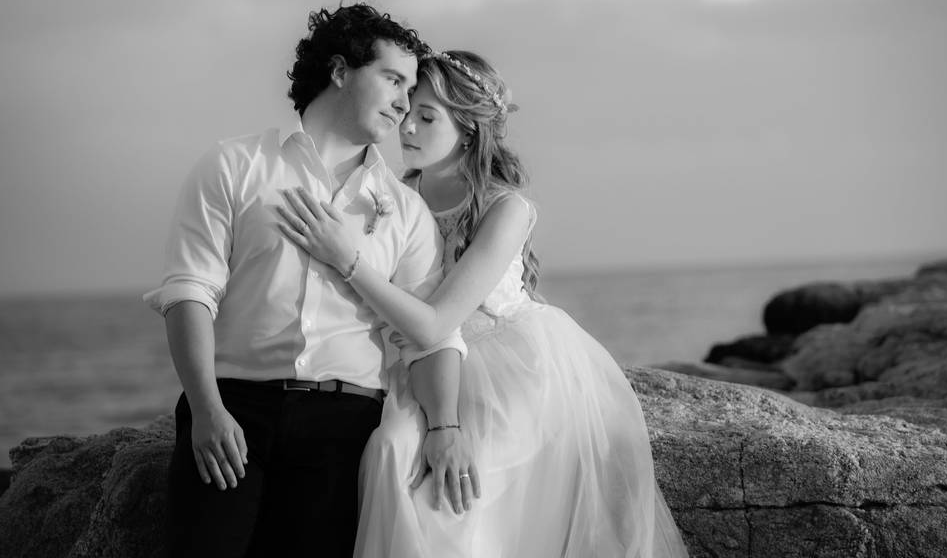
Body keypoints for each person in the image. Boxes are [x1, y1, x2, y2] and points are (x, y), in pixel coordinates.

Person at [276, 50, 690, 557]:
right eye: (405, 110)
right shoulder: (393, 196)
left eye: (427, 117)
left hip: (509, 369)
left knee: (450, 500)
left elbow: (437, 322)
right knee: (386, 451)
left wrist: (347, 259)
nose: (406, 128)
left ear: (469, 129)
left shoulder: (505, 208)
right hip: (419, 365)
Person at [144, 4, 478, 558]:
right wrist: (206, 409)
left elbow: (431, 338)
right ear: (341, 71)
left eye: (411, 87)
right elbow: (189, 291)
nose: (403, 102)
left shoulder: (406, 210)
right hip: (234, 413)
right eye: (393, 80)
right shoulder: (234, 164)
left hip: (345, 429)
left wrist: (445, 428)